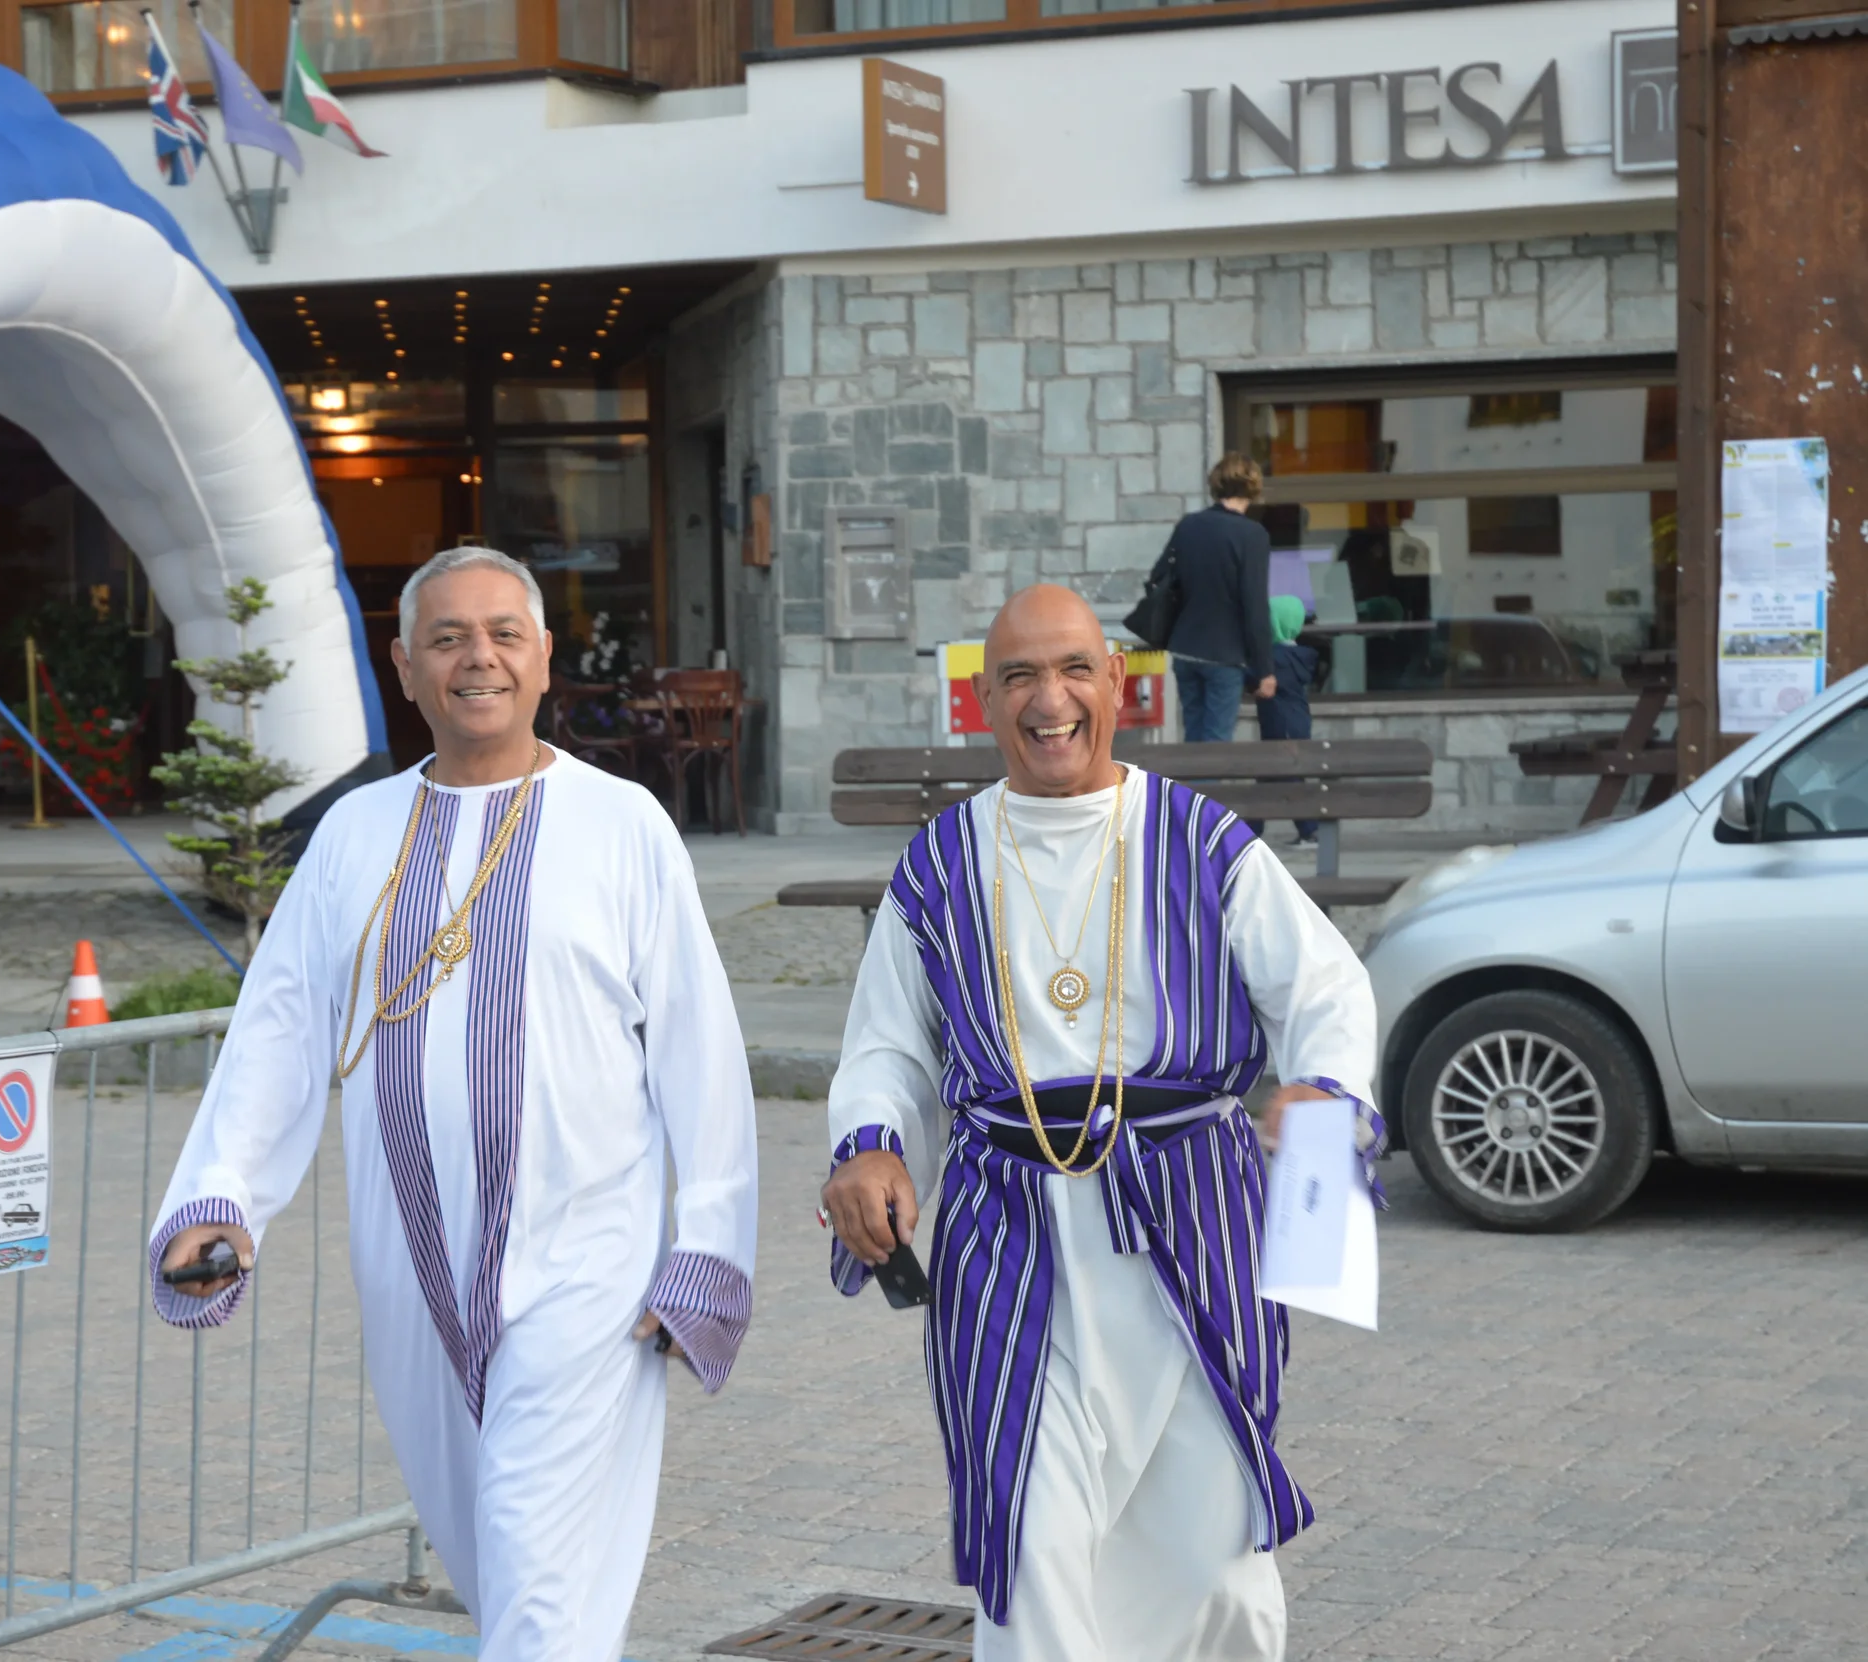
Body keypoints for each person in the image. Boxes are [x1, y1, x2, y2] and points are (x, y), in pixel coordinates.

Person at [148, 545, 758, 1661]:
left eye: (503, 635)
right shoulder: (352, 834)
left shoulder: (621, 825)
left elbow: (700, 1056)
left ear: (542, 660)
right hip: (410, 1274)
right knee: (505, 1576)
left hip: (587, 1271)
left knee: (535, 1578)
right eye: (447, 639)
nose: (478, 658)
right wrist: (221, 1198)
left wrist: (705, 1252)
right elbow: (280, 1028)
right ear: (405, 667)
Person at [819, 584, 1381, 1662]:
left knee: (1215, 1572)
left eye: (1074, 668)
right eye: (1019, 676)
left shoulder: (1202, 840)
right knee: (1030, 1563)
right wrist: (875, 1142)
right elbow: (888, 1046)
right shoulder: (938, 867)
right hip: (1012, 1253)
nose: (1050, 699)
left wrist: (1321, 1095)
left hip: (1187, 1236)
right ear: (983, 703)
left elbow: (1328, 993)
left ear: (1119, 687)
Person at [1163, 454, 1275, 743]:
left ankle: (1189, 789)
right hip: (1223, 655)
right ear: (1252, 487)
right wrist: (1264, 670)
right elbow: (1255, 605)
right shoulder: (1252, 534)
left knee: (1194, 741)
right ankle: (1203, 790)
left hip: (1185, 649)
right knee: (1216, 746)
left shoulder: (1188, 526)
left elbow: (1162, 579)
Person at [1256, 595, 1322, 845]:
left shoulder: (1273, 659)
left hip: (1279, 727)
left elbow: (1253, 679)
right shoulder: (1301, 657)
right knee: (1269, 779)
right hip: (1297, 721)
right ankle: (1251, 832)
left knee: (1287, 779)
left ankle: (1311, 831)